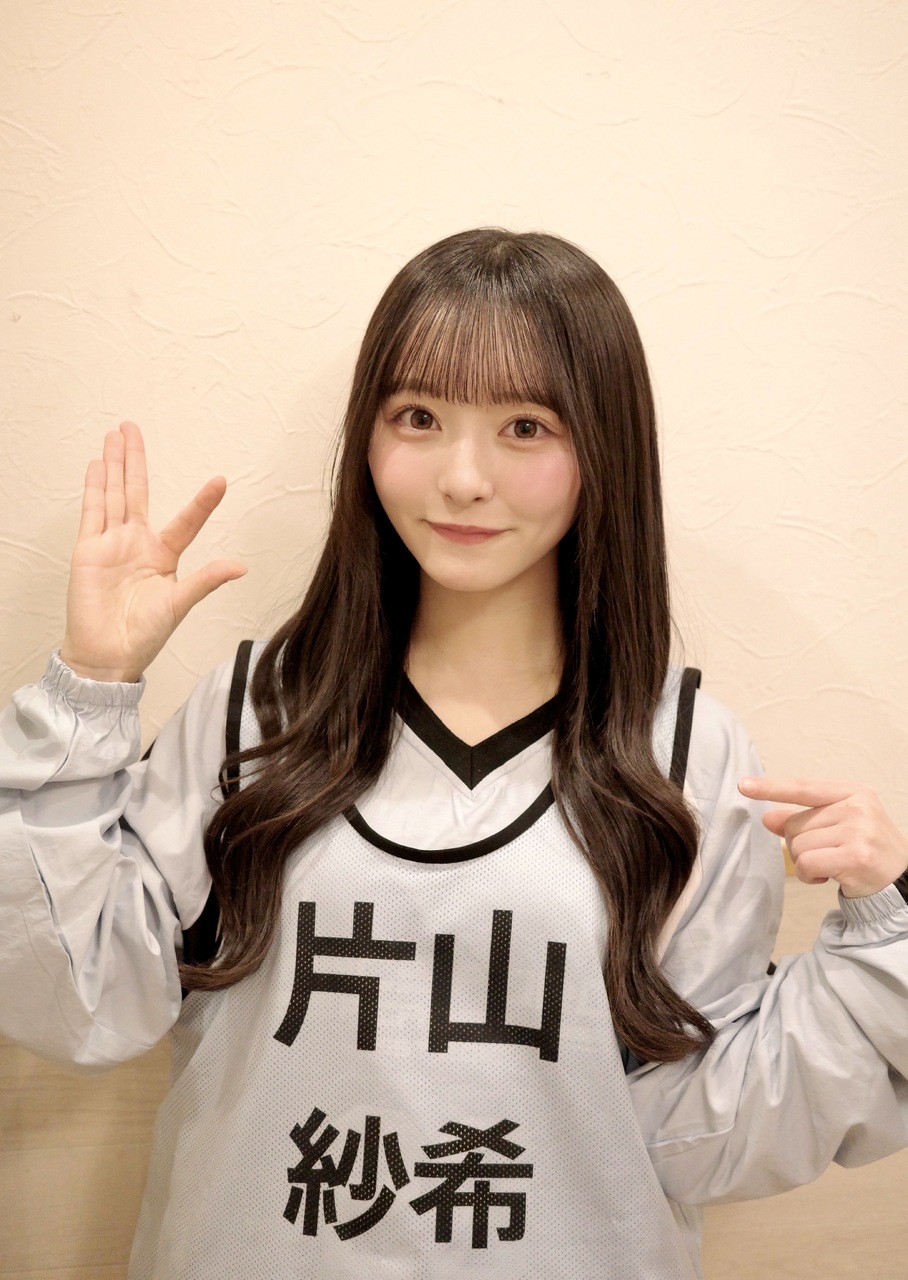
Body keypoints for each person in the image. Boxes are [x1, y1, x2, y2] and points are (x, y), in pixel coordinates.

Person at [1, 228, 906, 1280]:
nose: (462, 478)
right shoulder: (257, 711)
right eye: (418, 417)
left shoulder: (684, 752)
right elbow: (76, 1000)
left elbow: (698, 1131)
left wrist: (883, 935)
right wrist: (90, 688)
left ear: (603, 447)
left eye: (525, 426)